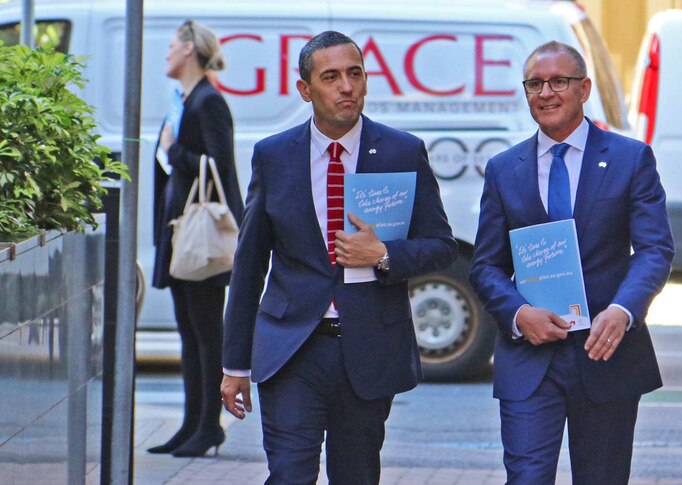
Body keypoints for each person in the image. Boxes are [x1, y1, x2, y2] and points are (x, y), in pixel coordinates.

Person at [220, 31, 457, 484]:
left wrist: (384, 253)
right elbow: (249, 265)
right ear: (305, 90)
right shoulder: (273, 156)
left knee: (356, 475)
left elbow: (442, 245)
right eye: (331, 77)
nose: (346, 87)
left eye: (355, 74)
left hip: (367, 349)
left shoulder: (401, 152)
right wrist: (235, 366)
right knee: (289, 474)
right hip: (291, 347)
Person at [469, 41, 675, 484]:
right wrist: (519, 314)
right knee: (525, 477)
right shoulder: (505, 168)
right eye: (535, 84)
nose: (546, 93)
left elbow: (655, 250)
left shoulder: (629, 159)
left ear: (584, 88)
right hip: (530, 356)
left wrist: (623, 312)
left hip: (606, 351)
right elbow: (485, 266)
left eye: (558, 82)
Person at [149, 20, 244, 457]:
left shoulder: (207, 101)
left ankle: (209, 426)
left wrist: (173, 150)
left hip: (201, 236)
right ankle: (192, 424)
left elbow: (220, 167)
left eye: (171, 46)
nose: (166, 54)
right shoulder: (184, 100)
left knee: (206, 332)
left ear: (189, 49)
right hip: (180, 230)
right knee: (189, 332)